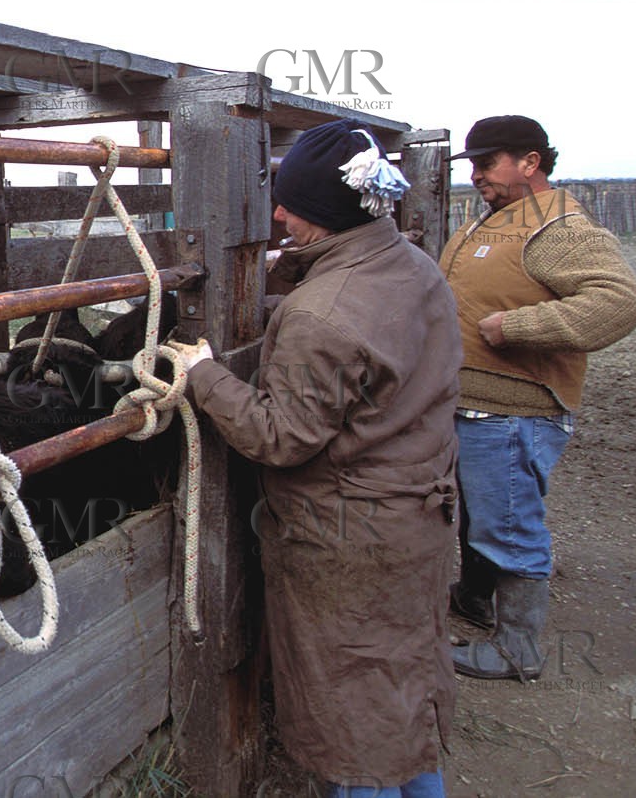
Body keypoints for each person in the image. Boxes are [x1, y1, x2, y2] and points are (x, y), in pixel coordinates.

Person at [170, 119, 459, 797]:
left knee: (354, 716)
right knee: (400, 686)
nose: (276, 213)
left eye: (291, 203)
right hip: (419, 517)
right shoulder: (415, 267)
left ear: (327, 215)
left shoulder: (322, 313)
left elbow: (281, 435)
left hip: (348, 539)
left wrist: (204, 374)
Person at [441, 116, 636, 681]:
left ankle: (518, 650)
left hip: (513, 412)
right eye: (473, 165)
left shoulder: (556, 227)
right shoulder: (501, 220)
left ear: (530, 162)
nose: (477, 175)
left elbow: (621, 302)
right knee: (486, 516)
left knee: (509, 525)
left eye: (487, 163)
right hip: (479, 405)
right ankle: (477, 601)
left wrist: (518, 327)